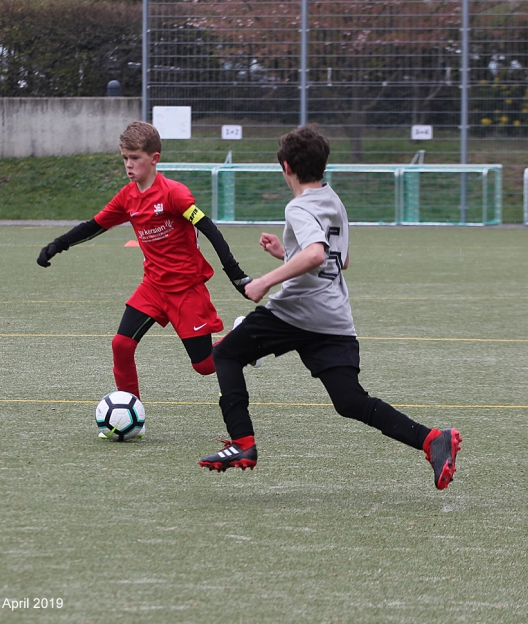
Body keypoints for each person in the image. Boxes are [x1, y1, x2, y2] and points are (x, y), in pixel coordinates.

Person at [198, 125, 462, 490]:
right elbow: (341, 259)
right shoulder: (334, 200)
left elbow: (316, 254)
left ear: (286, 167)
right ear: (322, 165)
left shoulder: (298, 207)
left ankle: (242, 441)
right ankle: (432, 439)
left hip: (295, 312)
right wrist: (286, 252)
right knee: (350, 401)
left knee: (225, 354)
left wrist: (264, 281)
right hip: (332, 317)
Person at [37, 121, 252, 402]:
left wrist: (236, 274)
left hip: (186, 289)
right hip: (153, 287)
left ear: (154, 158)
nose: (129, 164)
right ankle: (131, 410)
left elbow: (208, 227)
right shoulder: (127, 197)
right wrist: (58, 245)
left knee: (204, 365)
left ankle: (244, 336)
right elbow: (94, 226)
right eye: (125, 157)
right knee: (121, 345)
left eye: (135, 157)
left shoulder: (174, 194)